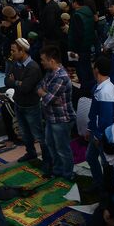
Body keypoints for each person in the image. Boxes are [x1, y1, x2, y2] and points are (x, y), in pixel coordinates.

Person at [37, 46, 74, 179]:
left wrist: (44, 94)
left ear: (51, 61)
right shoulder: (50, 73)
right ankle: (58, 170)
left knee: (62, 149)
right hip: (51, 117)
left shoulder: (61, 77)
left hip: (61, 119)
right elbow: (39, 87)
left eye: (43, 60)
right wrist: (46, 94)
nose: (41, 62)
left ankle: (68, 174)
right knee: (51, 146)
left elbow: (48, 99)